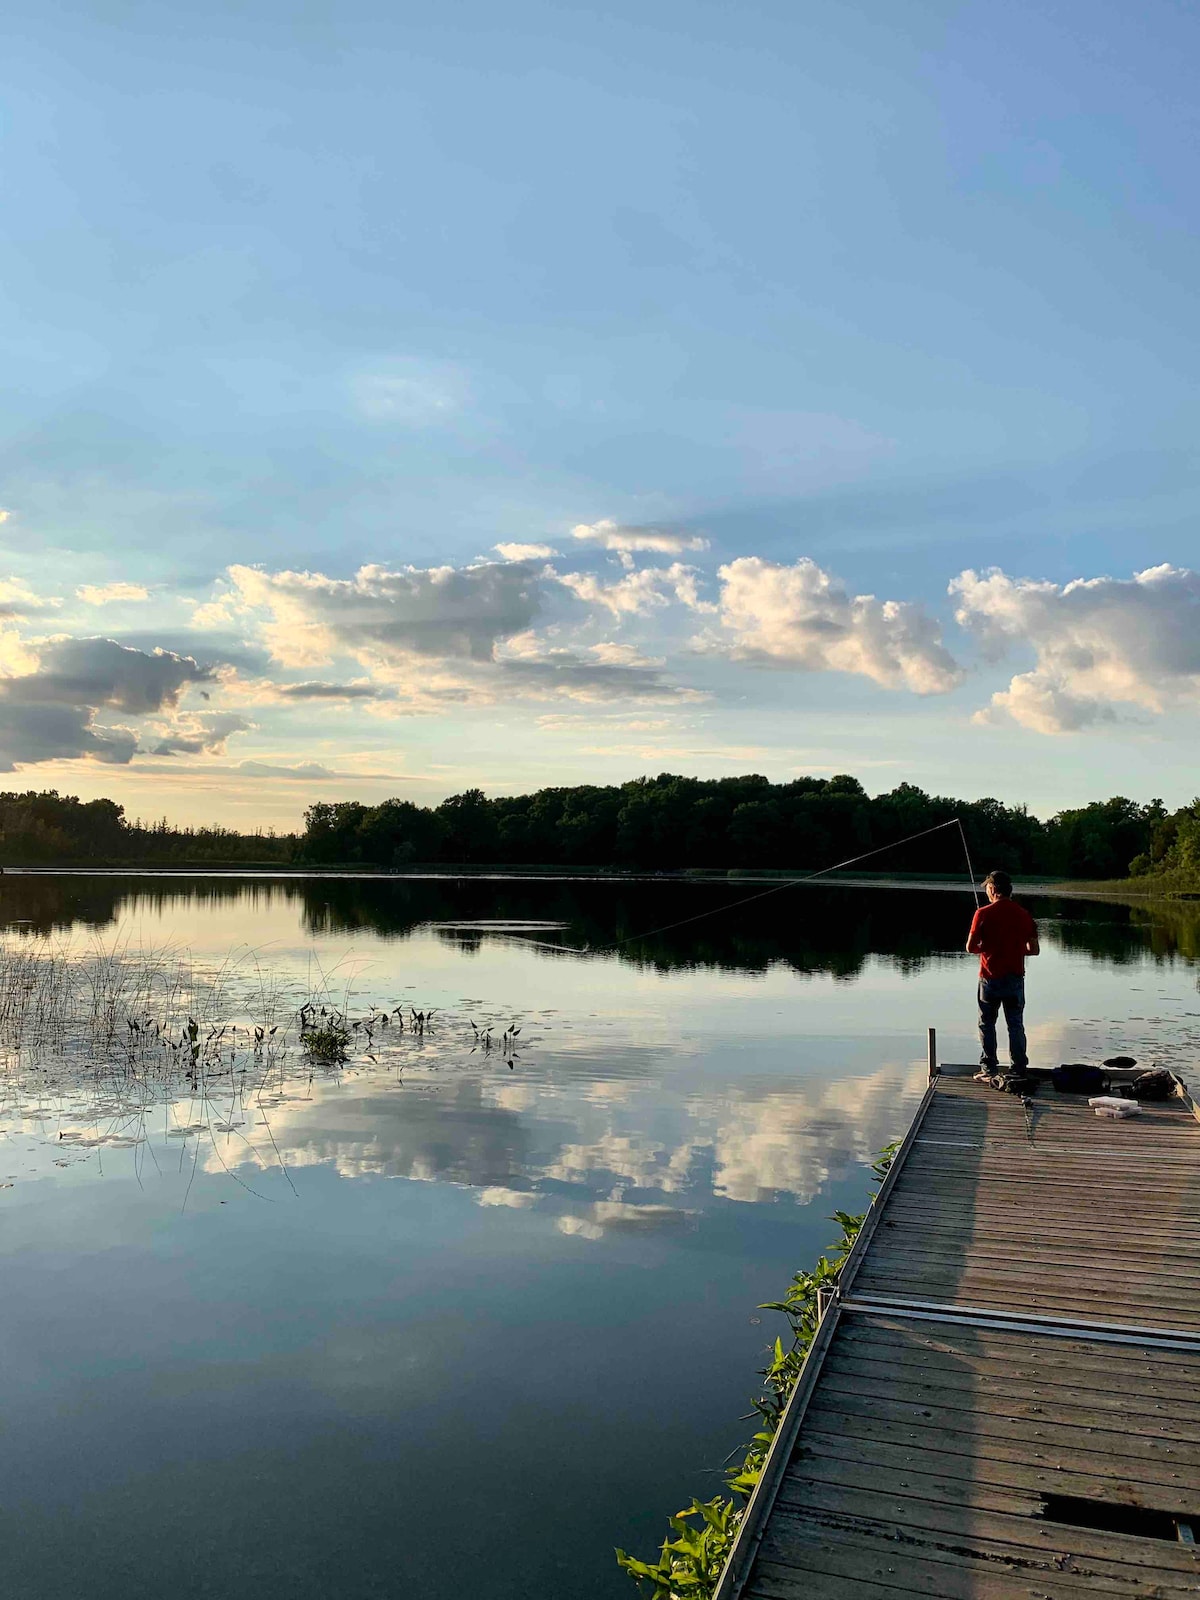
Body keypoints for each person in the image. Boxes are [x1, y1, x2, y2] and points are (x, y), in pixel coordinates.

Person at [966, 870, 1039, 1077]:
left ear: (993, 889)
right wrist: (1014, 949)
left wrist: (988, 948)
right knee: (1015, 1025)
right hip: (1015, 979)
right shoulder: (1024, 915)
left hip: (989, 979)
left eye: (987, 888)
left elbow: (970, 948)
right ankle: (1019, 1068)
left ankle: (989, 1068)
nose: (987, 892)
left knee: (986, 1023)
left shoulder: (982, 913)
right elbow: (1034, 950)